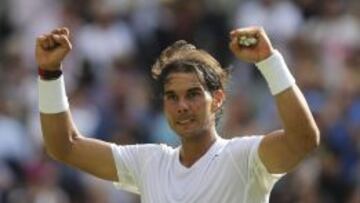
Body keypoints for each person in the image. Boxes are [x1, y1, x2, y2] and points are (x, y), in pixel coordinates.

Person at [35, 26, 320, 203]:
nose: (182, 106)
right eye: (172, 97)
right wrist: (49, 74)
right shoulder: (149, 163)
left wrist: (270, 62)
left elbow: (303, 140)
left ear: (218, 99)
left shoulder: (243, 158)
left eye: (193, 94)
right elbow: (64, 146)